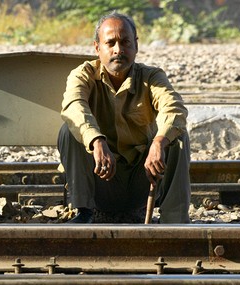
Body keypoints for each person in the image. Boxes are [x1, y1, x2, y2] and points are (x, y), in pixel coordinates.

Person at [57, 11, 190, 224]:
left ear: (135, 46)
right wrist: (96, 140)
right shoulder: (83, 74)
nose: (118, 50)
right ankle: (84, 212)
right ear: (97, 48)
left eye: (125, 42)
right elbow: (74, 106)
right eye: (110, 43)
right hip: (102, 181)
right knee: (69, 130)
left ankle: (175, 222)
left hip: (143, 181)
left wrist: (159, 142)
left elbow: (174, 108)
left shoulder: (151, 77)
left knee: (177, 136)